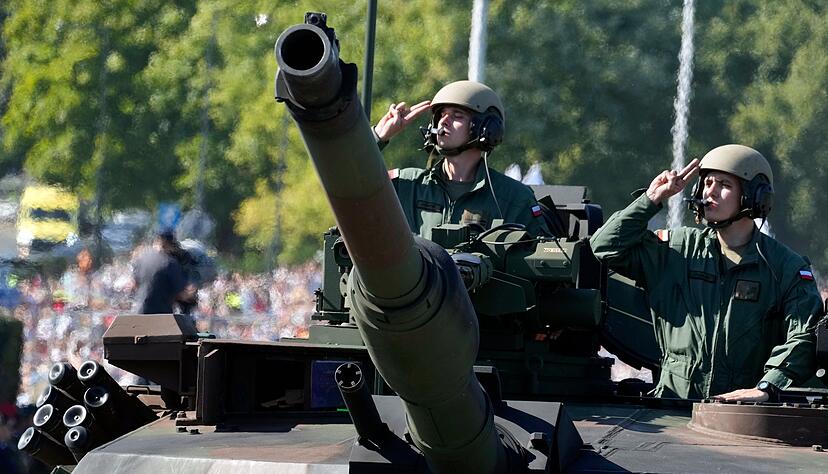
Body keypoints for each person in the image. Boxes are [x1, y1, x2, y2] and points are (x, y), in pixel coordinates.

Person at [590, 144, 823, 402]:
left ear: (753, 196)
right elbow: (605, 246)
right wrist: (651, 199)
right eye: (707, 182)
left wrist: (768, 387)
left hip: (740, 412)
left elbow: (804, 334)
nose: (709, 191)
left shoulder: (784, 267)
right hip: (672, 404)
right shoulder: (677, 252)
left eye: (724, 184)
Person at [372, 80, 550, 239]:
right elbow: (348, 191)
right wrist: (377, 138)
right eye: (441, 115)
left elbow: (541, 264)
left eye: (457, 116)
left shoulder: (514, 198)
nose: (443, 122)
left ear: (485, 129)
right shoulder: (407, 185)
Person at [132, 230, 196, 314]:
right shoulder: (170, 263)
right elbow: (183, 295)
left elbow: (135, 284)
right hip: (161, 315)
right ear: (169, 244)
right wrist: (192, 293)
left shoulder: (142, 259)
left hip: (140, 312)